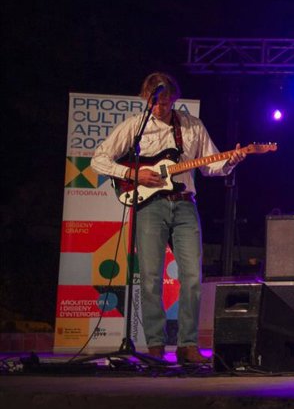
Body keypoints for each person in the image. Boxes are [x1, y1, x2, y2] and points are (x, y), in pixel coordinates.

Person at [92, 72, 244, 364]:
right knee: (150, 278)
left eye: (165, 102)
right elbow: (99, 159)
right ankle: (155, 346)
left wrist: (230, 162)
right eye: (155, 102)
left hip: (185, 204)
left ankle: (187, 345)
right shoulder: (135, 126)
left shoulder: (191, 126)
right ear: (145, 99)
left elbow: (210, 166)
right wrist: (133, 173)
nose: (160, 108)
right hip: (150, 207)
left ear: (174, 99)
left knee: (192, 277)